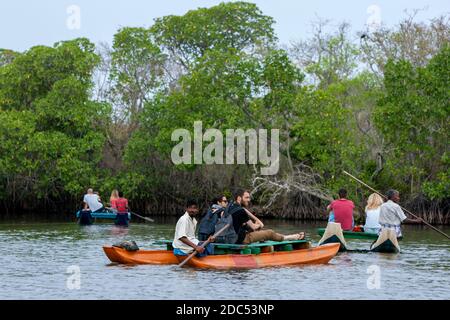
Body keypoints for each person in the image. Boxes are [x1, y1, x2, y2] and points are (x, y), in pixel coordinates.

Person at [229, 190, 305, 245]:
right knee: (269, 233)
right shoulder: (241, 211)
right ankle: (292, 237)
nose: (249, 200)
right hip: (242, 240)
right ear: (239, 198)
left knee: (258, 232)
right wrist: (259, 225)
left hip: (229, 238)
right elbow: (254, 227)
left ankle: (263, 238)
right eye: (246, 197)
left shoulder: (229, 207)